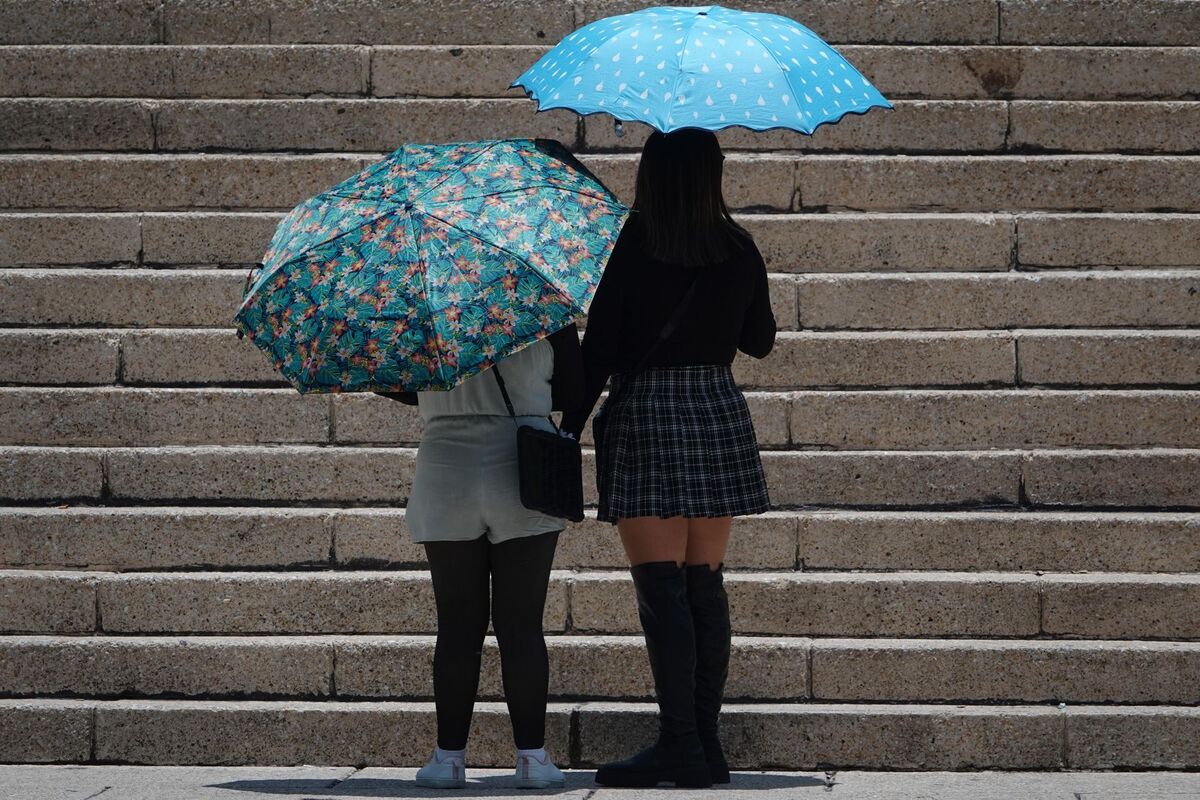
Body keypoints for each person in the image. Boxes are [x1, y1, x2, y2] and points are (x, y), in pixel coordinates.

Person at [561, 129, 777, 789]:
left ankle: (680, 745)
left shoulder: (630, 244)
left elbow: (599, 352)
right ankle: (704, 745)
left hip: (649, 414)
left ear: (650, 175)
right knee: (703, 585)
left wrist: (566, 426)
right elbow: (761, 340)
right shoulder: (737, 246)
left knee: (662, 589)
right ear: (712, 175)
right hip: (714, 409)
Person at [380, 324, 584, 790]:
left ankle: (448, 758)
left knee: (457, 623)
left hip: (446, 463)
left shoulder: (422, 314)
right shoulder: (545, 309)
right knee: (522, 623)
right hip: (525, 460)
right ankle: (532, 757)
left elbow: (398, 384)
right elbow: (573, 389)